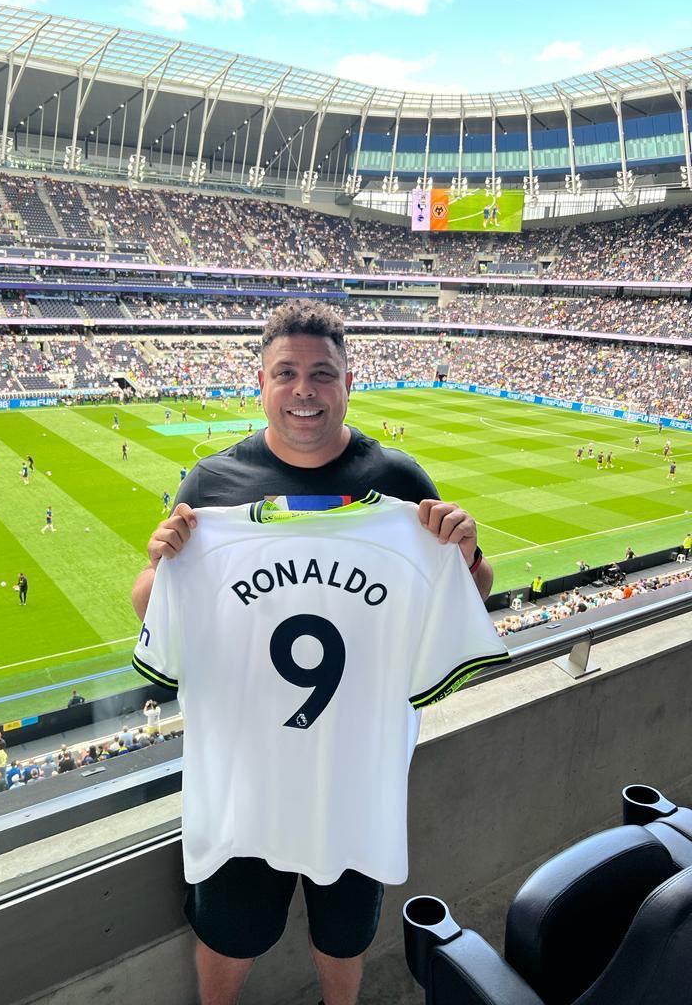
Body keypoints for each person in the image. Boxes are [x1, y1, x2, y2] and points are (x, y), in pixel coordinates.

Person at [130, 301, 493, 1005]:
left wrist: (469, 558)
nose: (304, 390)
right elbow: (154, 609)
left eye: (322, 374)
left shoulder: (401, 483)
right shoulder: (211, 487)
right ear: (260, 383)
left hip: (355, 780)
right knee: (228, 938)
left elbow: (464, 602)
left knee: (344, 938)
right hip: (244, 785)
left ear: (349, 381)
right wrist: (161, 564)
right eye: (287, 373)